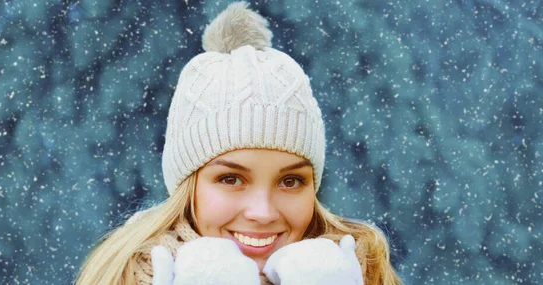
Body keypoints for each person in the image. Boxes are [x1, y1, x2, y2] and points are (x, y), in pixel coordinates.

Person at [74, 2, 402, 285]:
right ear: (189, 188)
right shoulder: (130, 276)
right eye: (230, 179)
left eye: (291, 181)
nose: (263, 212)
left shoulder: (361, 274)